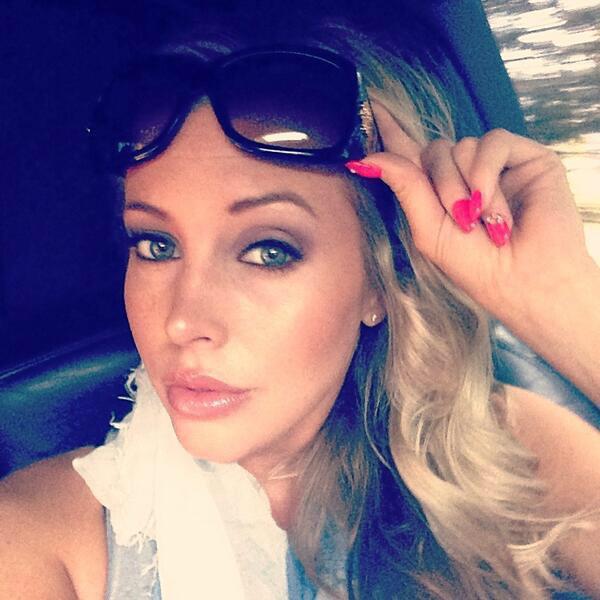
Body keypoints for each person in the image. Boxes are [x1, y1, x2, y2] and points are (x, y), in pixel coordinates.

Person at [1, 14, 599, 600]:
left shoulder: (510, 454)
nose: (182, 322)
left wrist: (563, 300)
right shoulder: (41, 538)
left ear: (378, 282)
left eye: (268, 251)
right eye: (157, 246)